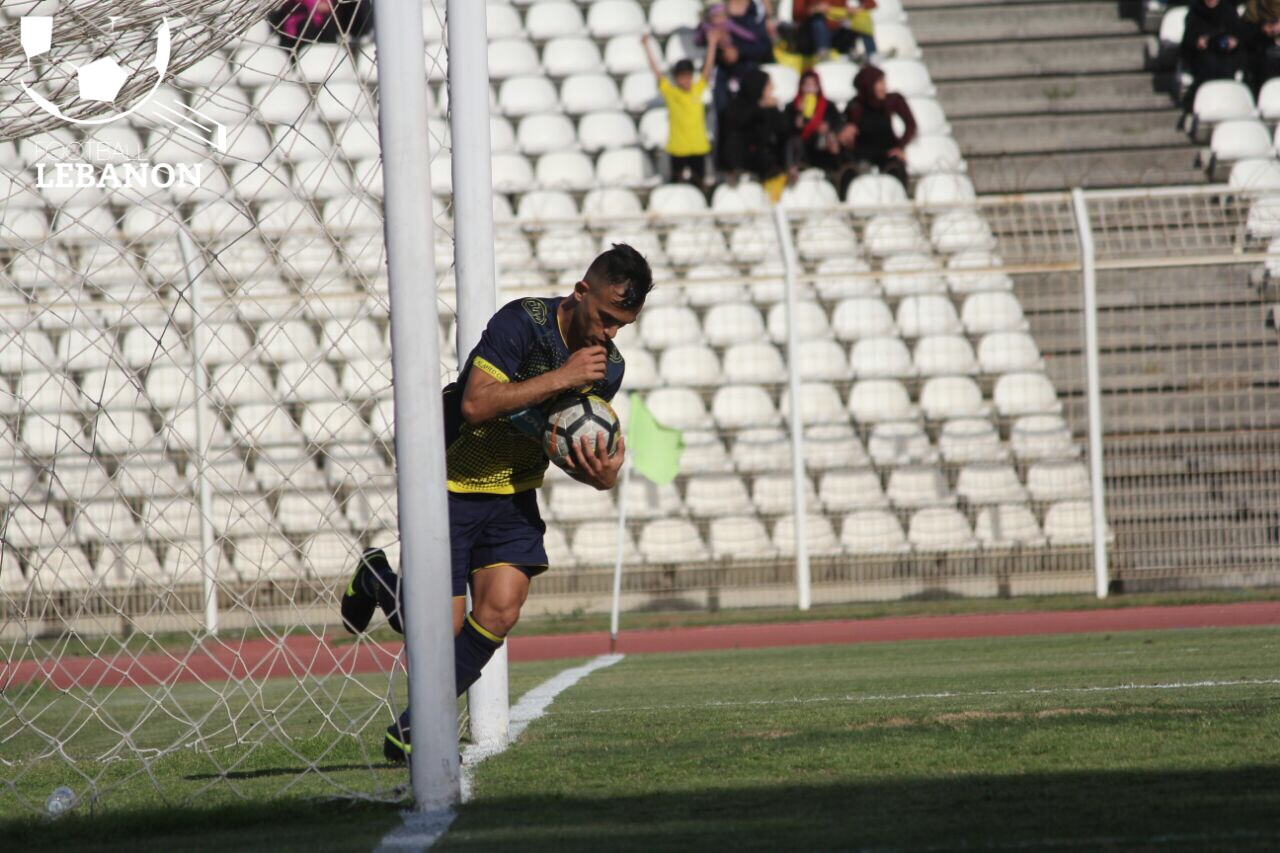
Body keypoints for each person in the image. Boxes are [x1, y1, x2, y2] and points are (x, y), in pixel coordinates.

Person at [339, 245, 653, 762]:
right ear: (581, 292)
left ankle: (417, 726)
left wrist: (603, 476)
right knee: (443, 632)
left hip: (513, 489)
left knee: (501, 610)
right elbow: (475, 402)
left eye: (622, 325)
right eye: (605, 318)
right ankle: (378, 576)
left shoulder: (608, 369)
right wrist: (563, 376)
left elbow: (564, 442)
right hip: (449, 477)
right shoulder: (522, 322)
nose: (609, 334)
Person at [642, 31, 719, 186]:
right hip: (678, 148)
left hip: (698, 147)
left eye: (687, 75)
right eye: (681, 76)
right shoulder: (672, 93)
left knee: (699, 185)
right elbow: (656, 71)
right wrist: (646, 47)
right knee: (677, 186)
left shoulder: (698, 89)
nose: (684, 80)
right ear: (676, 78)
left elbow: (708, 69)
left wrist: (712, 44)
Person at [718, 68, 792, 200]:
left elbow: (783, 130)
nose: (772, 89)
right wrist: (759, 107)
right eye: (768, 85)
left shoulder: (770, 107)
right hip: (744, 159)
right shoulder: (737, 106)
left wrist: (776, 110)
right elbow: (736, 122)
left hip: (767, 160)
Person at [837, 64, 916, 189]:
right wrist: (845, 129)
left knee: (896, 169)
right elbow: (841, 126)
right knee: (852, 173)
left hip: (887, 152)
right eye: (880, 83)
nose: (884, 88)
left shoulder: (893, 100)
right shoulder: (855, 105)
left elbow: (911, 124)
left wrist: (900, 146)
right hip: (862, 154)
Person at [699, 0, 775, 113]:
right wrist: (717, 44)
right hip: (723, 77)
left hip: (748, 75)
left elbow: (763, 46)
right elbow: (700, 38)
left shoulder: (756, 13)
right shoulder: (717, 10)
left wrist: (738, 52)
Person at [1181, 0, 1249, 98]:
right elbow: (1187, 43)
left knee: (1227, 66)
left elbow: (1239, 35)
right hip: (1202, 57)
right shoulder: (1195, 13)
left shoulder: (1229, 11)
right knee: (1209, 64)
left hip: (1227, 55)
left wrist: (1234, 41)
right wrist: (1197, 41)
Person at [784, 69, 843, 173]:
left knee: (831, 141)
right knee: (794, 142)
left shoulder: (828, 106)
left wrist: (828, 128)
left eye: (814, 85)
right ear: (801, 87)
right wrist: (799, 117)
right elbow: (785, 130)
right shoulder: (792, 107)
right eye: (807, 85)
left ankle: (834, 173)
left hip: (821, 145)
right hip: (802, 146)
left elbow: (838, 122)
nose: (810, 89)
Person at [793, 0, 878, 64]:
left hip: (839, 30)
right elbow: (797, 14)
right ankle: (823, 54)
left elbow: (871, 4)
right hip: (813, 35)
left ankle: (872, 54)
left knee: (863, 18)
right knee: (818, 21)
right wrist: (815, 9)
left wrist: (856, 9)